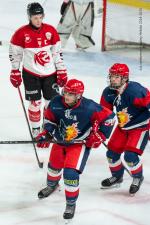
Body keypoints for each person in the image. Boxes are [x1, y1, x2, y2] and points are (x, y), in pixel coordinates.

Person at [36, 79, 115, 220]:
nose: (66, 96)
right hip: (60, 141)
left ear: (78, 95)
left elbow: (110, 118)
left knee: (70, 174)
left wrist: (100, 135)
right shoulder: (55, 102)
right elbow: (49, 120)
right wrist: (46, 133)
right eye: (65, 92)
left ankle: (70, 203)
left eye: (71, 94)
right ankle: (52, 185)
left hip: (78, 144)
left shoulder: (90, 107)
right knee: (53, 167)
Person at [9, 2, 68, 137]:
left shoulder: (50, 31)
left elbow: (57, 53)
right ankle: (36, 130)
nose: (38, 20)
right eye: (35, 18)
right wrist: (15, 71)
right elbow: (15, 53)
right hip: (31, 74)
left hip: (50, 74)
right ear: (29, 17)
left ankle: (48, 129)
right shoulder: (21, 33)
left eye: (40, 17)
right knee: (35, 103)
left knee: (51, 103)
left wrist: (61, 70)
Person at [100, 63, 150, 195]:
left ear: (125, 78)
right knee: (111, 154)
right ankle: (117, 177)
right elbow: (104, 114)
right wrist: (100, 130)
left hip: (140, 127)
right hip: (123, 127)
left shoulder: (136, 91)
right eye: (111, 76)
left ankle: (138, 177)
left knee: (130, 156)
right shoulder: (108, 92)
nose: (112, 80)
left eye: (117, 77)